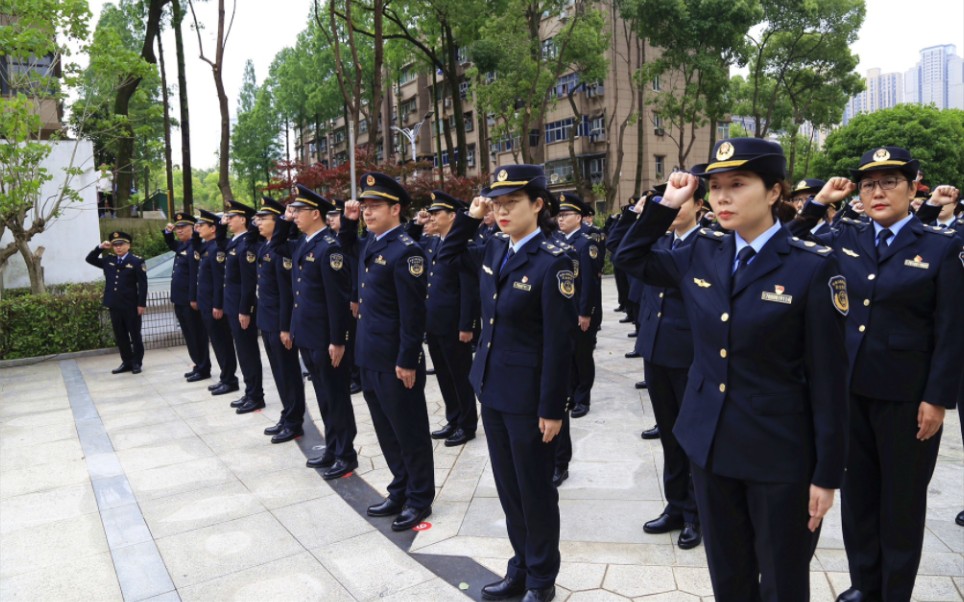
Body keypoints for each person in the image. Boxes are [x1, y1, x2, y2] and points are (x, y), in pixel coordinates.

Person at [614, 138, 849, 602]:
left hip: (778, 456)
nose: (722, 197)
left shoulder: (812, 267)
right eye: (716, 186)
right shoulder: (702, 252)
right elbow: (629, 258)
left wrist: (826, 474)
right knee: (729, 576)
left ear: (774, 191)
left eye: (737, 185)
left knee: (782, 581)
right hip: (710, 444)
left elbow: (829, 380)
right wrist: (666, 205)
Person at [791, 149, 963, 602]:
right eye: (868, 185)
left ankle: (893, 592)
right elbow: (784, 244)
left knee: (902, 504)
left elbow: (952, 329)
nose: (877, 192)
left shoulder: (941, 245)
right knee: (859, 500)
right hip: (849, 392)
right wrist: (816, 203)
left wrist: (938, 397)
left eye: (889, 182)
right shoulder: (844, 237)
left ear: (913, 189)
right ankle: (864, 585)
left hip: (907, 399)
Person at [439, 164, 576, 602]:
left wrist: (553, 408)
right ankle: (519, 565)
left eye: (511, 203)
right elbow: (447, 254)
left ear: (538, 205)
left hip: (530, 397)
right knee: (509, 489)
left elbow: (560, 344)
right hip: (493, 387)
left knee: (535, 492)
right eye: (496, 203)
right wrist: (471, 215)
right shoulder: (495, 249)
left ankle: (541, 579)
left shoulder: (555, 260)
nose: (501, 211)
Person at [341, 173, 435, 531]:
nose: (367, 211)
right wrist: (350, 222)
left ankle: (419, 497)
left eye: (374, 205)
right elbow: (349, 248)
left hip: (397, 359)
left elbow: (413, 314)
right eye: (364, 206)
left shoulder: (406, 252)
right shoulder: (373, 244)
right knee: (386, 430)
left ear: (396, 208)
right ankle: (400, 487)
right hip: (370, 355)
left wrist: (408, 359)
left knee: (409, 431)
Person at [622, 180, 706, 551]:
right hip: (657, 351)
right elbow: (623, 253)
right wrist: (659, 213)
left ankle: (696, 514)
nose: (673, 208)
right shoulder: (663, 241)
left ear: (700, 205)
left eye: (680, 202)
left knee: (693, 441)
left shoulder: (708, 244)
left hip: (689, 357)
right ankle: (676, 504)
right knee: (670, 439)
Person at [283, 184, 359, 478]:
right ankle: (332, 446)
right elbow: (299, 291)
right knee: (323, 396)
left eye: (299, 211)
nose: (294, 215)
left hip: (327, 338)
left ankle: (345, 453)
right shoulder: (305, 243)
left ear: (315, 213)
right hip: (309, 335)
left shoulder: (330, 247)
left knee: (336, 396)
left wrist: (338, 340)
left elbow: (337, 299)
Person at [418, 190, 480, 447]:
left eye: (436, 213)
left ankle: (467, 424)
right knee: (444, 374)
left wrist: (467, 325)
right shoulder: (433, 243)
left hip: (455, 325)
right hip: (435, 323)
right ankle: (453, 418)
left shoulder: (465, 247)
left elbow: (469, 290)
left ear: (452, 216)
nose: (431, 217)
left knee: (460, 376)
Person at [253, 197, 307, 444]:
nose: (258, 222)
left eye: (264, 218)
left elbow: (287, 292)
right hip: (267, 320)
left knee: (288, 373)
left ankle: (295, 421)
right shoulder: (266, 247)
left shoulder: (279, 251)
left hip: (279, 322)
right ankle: (287, 414)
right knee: (278, 372)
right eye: (258, 218)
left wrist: (286, 326)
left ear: (278, 222)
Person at [86, 231, 147, 374]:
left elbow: (143, 285)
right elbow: (90, 259)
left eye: (121, 244)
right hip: (114, 304)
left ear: (128, 245)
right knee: (120, 335)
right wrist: (100, 248)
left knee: (135, 335)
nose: (118, 247)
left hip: (131, 305)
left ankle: (137, 362)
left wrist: (141, 304)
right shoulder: (109, 260)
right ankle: (126, 361)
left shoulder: (136, 261)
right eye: (115, 245)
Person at [192, 209, 239, 396]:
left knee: (223, 343)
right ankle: (225, 377)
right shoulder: (207, 247)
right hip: (206, 303)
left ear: (213, 228)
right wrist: (197, 232)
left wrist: (218, 305)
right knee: (217, 343)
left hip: (214, 305)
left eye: (201, 225)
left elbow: (220, 280)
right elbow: (195, 247)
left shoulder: (218, 248)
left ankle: (230, 379)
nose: (197, 228)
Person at [163, 213, 211, 382]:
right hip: (179, 298)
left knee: (197, 334)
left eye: (183, 227)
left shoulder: (195, 248)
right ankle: (197, 364)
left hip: (190, 300)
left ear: (193, 228)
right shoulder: (182, 246)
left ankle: (204, 367)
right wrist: (167, 232)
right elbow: (171, 243)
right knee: (189, 335)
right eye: (177, 227)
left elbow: (194, 276)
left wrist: (193, 298)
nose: (179, 230)